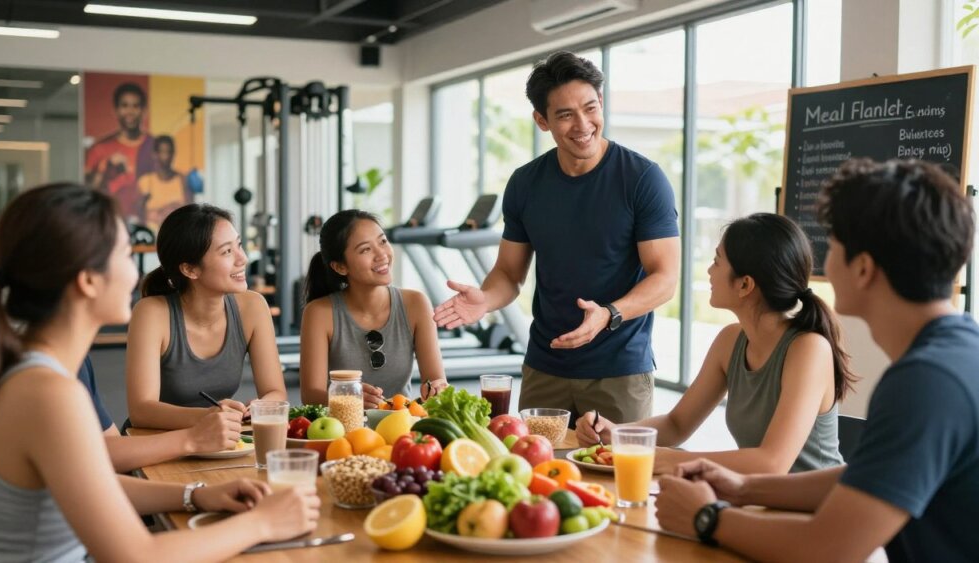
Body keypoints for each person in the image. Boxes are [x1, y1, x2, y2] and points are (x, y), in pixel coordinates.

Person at [0, 183, 318, 561]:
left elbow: (93, 483)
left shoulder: (35, 369)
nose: (137, 272)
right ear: (88, 281)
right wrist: (262, 523)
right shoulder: (48, 394)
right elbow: (136, 556)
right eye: (126, 255)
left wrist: (194, 494)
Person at [656, 159, 979, 562]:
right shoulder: (953, 355)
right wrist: (742, 488)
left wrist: (707, 517)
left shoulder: (926, 382)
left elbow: (829, 548)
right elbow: (868, 478)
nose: (819, 260)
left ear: (862, 268)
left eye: (834, 243)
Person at [433, 51, 680, 423]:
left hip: (618, 368)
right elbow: (508, 274)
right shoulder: (525, 183)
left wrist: (609, 315)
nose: (583, 124)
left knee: (616, 474)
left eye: (590, 108)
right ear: (541, 120)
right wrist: (485, 300)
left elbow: (665, 278)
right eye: (565, 114)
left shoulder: (643, 179)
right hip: (545, 366)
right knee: (532, 473)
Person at [577, 213, 851, 474]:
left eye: (717, 261)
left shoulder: (809, 349)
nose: (709, 270)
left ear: (745, 285)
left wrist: (670, 459)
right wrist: (618, 434)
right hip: (760, 501)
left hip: (819, 511)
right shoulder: (730, 340)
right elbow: (676, 424)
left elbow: (772, 463)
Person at [126, 203, 287, 430]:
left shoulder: (253, 307)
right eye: (227, 251)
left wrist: (259, 407)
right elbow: (141, 411)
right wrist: (207, 417)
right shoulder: (151, 313)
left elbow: (276, 392)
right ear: (190, 269)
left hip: (220, 437)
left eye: (239, 245)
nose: (243, 259)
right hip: (157, 440)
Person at [301, 209, 448, 407]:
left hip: (401, 428)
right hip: (343, 431)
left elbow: (435, 380)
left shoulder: (416, 303)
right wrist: (347, 399)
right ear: (340, 267)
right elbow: (311, 395)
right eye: (365, 250)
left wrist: (437, 388)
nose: (381, 254)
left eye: (383, 241)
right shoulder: (319, 313)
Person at [80, 356, 243, 472]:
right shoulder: (62, 378)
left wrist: (195, 495)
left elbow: (108, 452)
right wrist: (192, 439)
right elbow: (95, 460)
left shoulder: (79, 361)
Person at [85, 81, 155, 220]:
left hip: (147, 223)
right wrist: (105, 168)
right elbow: (88, 192)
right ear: (116, 110)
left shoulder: (155, 146)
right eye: (125, 105)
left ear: (144, 111)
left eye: (136, 106)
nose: (130, 111)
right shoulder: (100, 149)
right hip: (109, 220)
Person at [138, 135, 190, 230]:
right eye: (162, 152)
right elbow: (138, 215)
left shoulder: (182, 180)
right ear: (155, 154)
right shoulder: (145, 182)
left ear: (173, 154)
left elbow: (190, 213)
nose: (166, 156)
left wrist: (170, 209)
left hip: (177, 236)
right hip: (151, 238)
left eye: (169, 152)